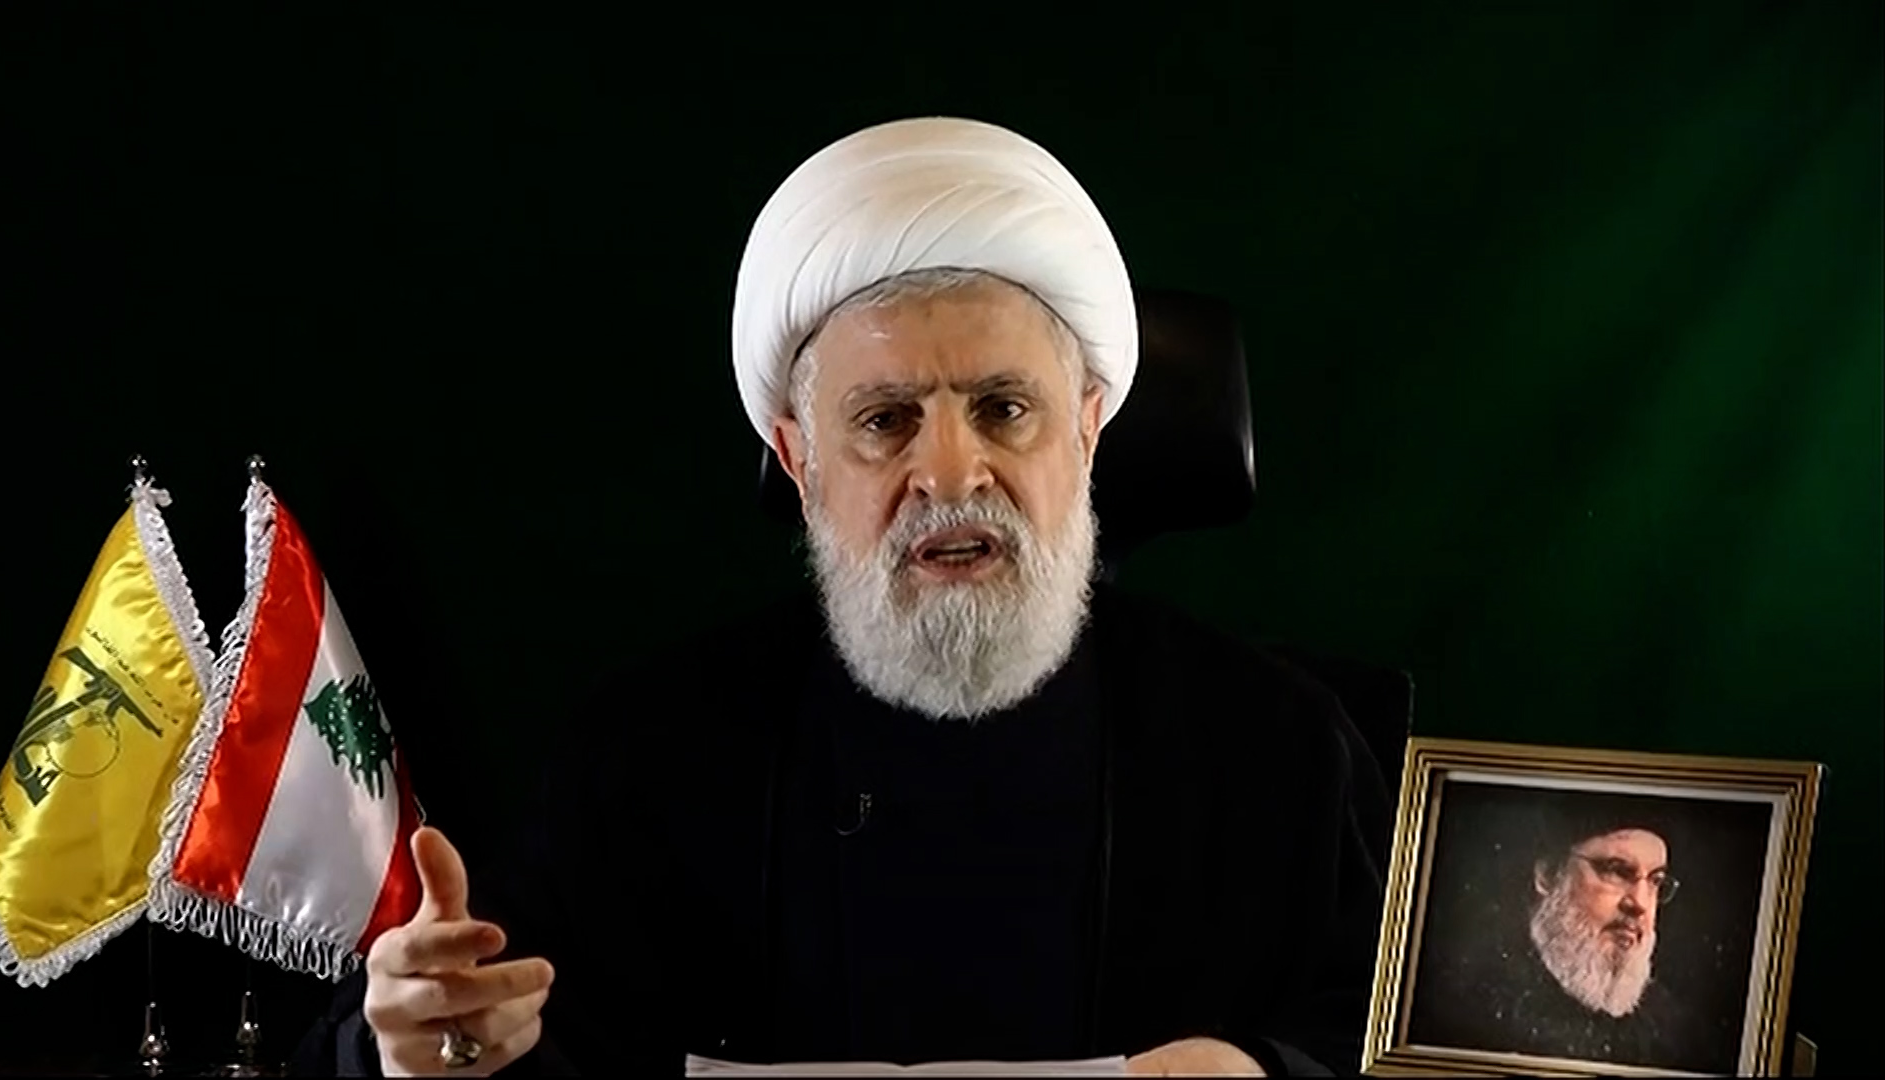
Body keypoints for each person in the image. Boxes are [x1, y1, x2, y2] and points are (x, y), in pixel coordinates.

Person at [291, 116, 1392, 1077]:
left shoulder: (1281, 749)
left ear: (1090, 429)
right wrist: (408, 1044)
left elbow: (1403, 1037)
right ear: (799, 457)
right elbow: (477, 1020)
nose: (950, 474)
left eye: (1004, 409)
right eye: (885, 421)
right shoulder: (649, 758)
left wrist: (1266, 1073)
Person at [1409, 794, 1709, 1072]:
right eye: (1616, 870)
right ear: (1548, 875)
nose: (1641, 904)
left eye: (1655, 881)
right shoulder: (1466, 1005)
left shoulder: (1673, 1030)